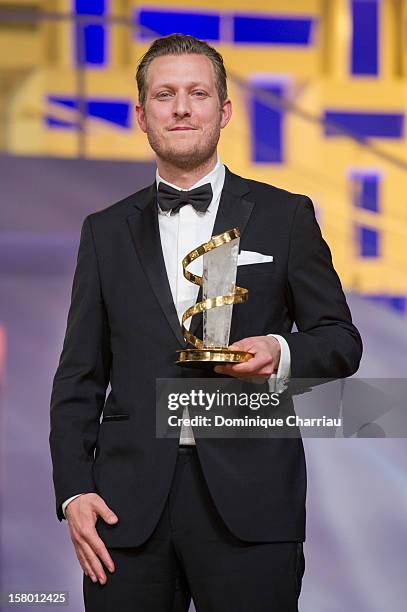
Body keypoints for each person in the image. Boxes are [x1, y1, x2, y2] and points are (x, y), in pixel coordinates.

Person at [49, 34, 362, 611]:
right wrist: (73, 492)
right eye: (165, 94)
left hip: (252, 500)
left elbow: (341, 341)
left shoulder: (285, 215)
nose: (182, 107)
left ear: (225, 110)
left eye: (198, 92)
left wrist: (278, 350)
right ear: (142, 116)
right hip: (126, 511)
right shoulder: (105, 231)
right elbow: (78, 378)